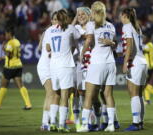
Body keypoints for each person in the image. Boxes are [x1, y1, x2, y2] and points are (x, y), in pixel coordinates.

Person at [78, 1, 117, 132]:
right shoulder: (111, 26)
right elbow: (115, 44)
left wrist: (82, 53)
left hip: (97, 63)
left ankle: (84, 125)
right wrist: (111, 42)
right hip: (111, 63)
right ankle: (111, 124)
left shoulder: (91, 25)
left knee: (89, 95)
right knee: (108, 94)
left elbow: (88, 40)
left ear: (94, 12)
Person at [46, 9, 81, 132]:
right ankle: (62, 124)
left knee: (56, 94)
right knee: (65, 95)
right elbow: (79, 36)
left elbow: (47, 47)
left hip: (53, 66)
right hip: (65, 66)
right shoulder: (70, 28)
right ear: (65, 18)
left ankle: (53, 123)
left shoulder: (49, 30)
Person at [0, 28, 32, 110]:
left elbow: (9, 55)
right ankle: (28, 104)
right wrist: (1, 58)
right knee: (20, 85)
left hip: (9, 67)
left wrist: (3, 49)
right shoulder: (17, 41)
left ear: (9, 34)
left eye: (6, 34)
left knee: (3, 85)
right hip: (18, 65)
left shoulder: (10, 43)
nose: (5, 36)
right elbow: (14, 55)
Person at [120, 8, 147, 131]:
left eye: (121, 15)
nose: (120, 18)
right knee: (139, 94)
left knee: (133, 94)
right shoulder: (137, 27)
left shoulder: (127, 26)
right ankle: (140, 122)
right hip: (142, 61)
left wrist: (125, 63)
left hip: (135, 62)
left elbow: (130, 45)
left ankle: (136, 123)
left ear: (125, 15)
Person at [37, 11, 58, 131]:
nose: (56, 22)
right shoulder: (51, 31)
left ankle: (48, 121)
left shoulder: (47, 31)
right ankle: (45, 123)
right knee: (51, 94)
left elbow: (40, 47)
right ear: (51, 21)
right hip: (46, 65)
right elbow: (48, 49)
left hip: (49, 65)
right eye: (54, 19)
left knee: (52, 94)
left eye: (57, 19)